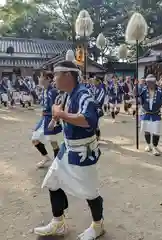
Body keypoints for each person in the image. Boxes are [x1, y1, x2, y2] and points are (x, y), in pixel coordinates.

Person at [34, 61, 104, 239]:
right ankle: (58, 223)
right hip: (67, 149)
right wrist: (57, 115)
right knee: (52, 181)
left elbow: (89, 121)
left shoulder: (83, 94)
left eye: (56, 75)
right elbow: (61, 113)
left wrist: (61, 114)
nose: (53, 79)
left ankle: (98, 225)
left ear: (67, 75)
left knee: (90, 192)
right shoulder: (67, 94)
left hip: (83, 152)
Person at [139, 74, 162, 156]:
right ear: (146, 83)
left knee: (156, 131)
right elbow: (137, 96)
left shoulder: (160, 90)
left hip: (156, 113)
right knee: (147, 130)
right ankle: (148, 145)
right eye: (148, 83)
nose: (150, 85)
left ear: (155, 82)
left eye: (152, 83)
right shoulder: (143, 89)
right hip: (145, 113)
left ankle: (155, 147)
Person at [31, 71, 62, 168]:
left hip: (50, 119)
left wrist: (54, 120)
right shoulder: (45, 90)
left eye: (41, 77)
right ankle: (46, 157)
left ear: (48, 79)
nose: (39, 79)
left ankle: (58, 164)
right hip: (44, 119)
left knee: (53, 142)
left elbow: (56, 107)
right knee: (35, 139)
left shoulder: (52, 91)